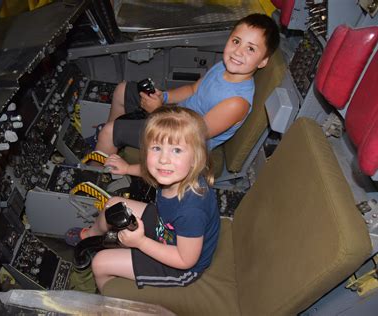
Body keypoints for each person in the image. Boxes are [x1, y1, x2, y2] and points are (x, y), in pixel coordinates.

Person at [94, 13, 280, 175]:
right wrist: (164, 97)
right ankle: (112, 148)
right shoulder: (222, 67)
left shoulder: (236, 102)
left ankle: (93, 175)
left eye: (251, 49)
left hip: (184, 143)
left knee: (109, 132)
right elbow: (192, 90)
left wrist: (158, 111)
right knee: (122, 90)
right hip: (178, 116)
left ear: (263, 61)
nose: (238, 52)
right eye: (236, 41)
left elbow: (192, 134)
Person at [66, 107, 220, 291]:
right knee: (113, 205)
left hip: (179, 266)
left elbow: (185, 260)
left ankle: (108, 302)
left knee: (100, 263)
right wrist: (127, 168)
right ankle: (89, 236)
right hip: (166, 229)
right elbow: (151, 170)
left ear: (195, 159)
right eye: (156, 148)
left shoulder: (191, 211)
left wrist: (141, 242)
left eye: (177, 150)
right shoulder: (176, 172)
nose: (164, 159)